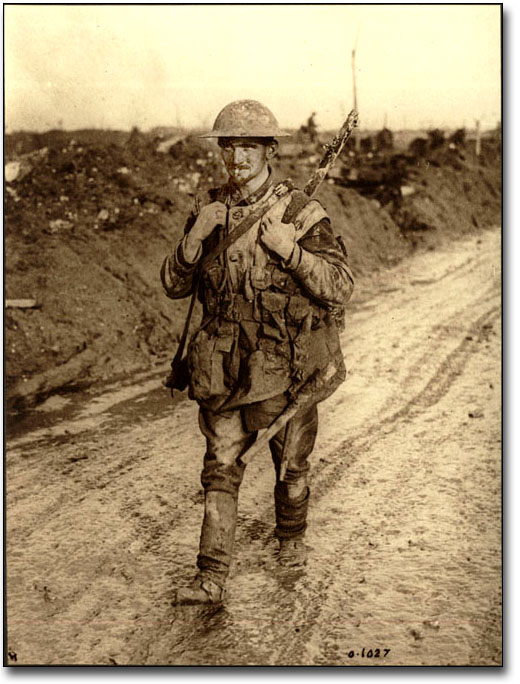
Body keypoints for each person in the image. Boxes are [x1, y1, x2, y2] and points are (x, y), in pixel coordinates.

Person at [161, 100, 354, 605]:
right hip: (223, 369)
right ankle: (211, 576)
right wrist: (194, 241)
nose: (236, 158)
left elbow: (340, 286)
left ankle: (291, 540)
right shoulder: (209, 211)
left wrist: (292, 251)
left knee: (291, 468)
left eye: (248, 146)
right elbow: (174, 286)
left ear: (270, 150)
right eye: (229, 146)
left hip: (286, 368)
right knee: (220, 465)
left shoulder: (301, 213)